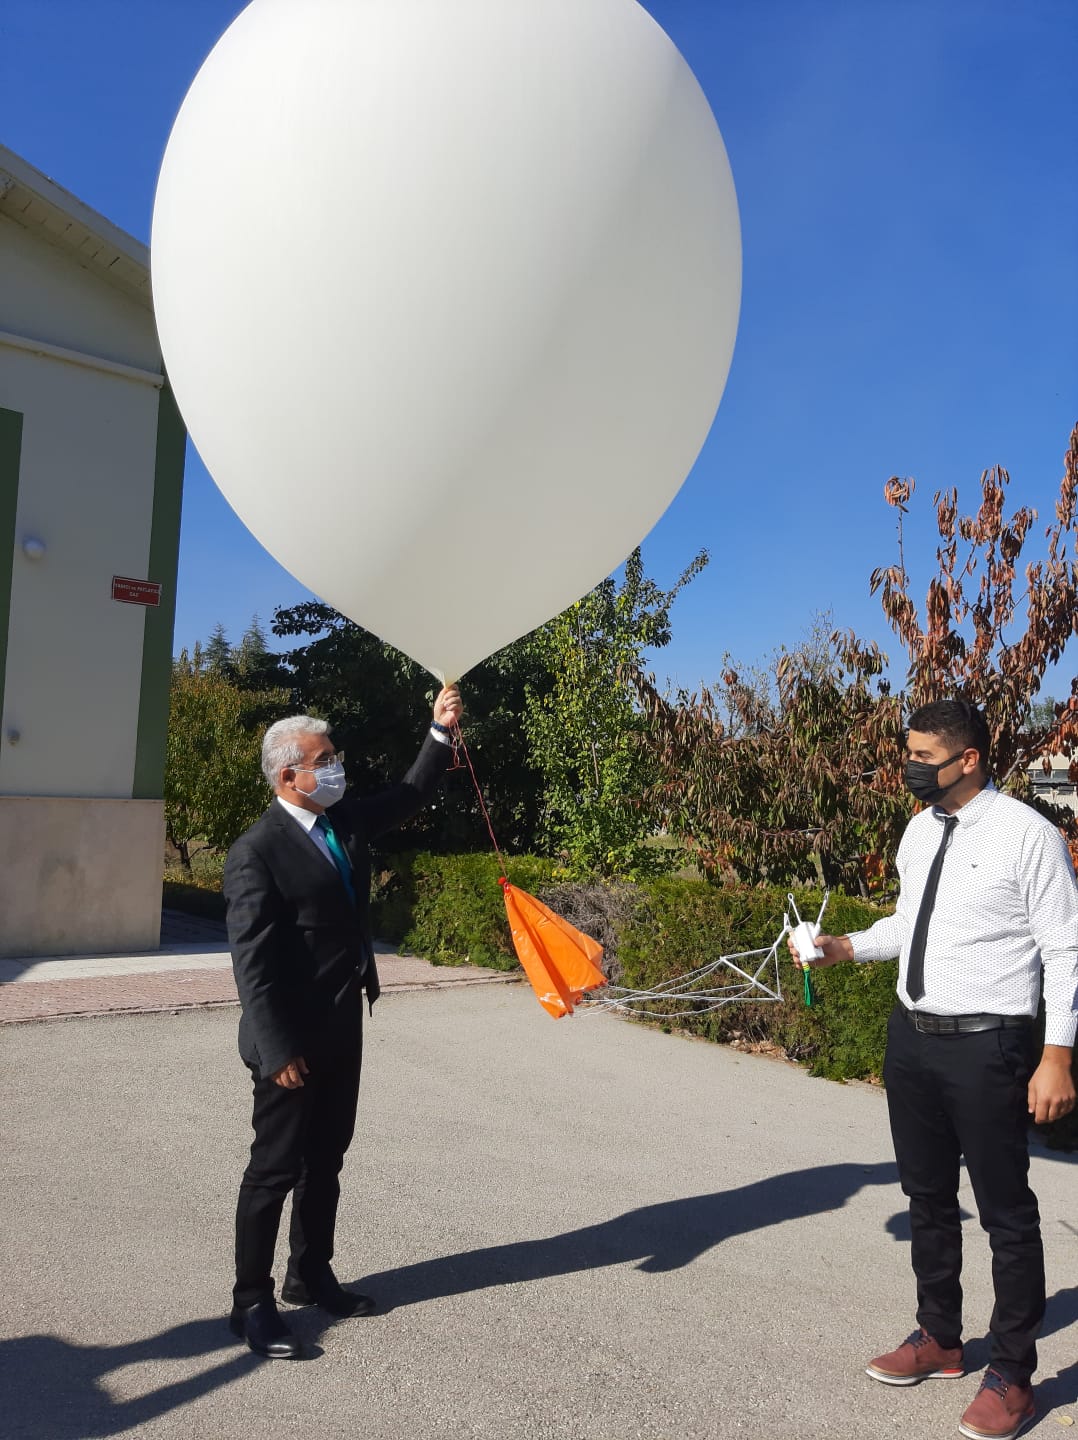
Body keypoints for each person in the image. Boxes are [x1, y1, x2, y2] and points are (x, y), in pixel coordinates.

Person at [793, 699, 1078, 1440]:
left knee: (1006, 1215)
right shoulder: (919, 831)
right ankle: (940, 1338)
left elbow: (1066, 949)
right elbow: (908, 922)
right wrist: (844, 947)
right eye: (909, 752)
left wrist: (1056, 1056)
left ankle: (1014, 1377)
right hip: (912, 1036)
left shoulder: (1029, 836)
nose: (910, 767)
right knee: (926, 1196)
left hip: (991, 1046)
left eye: (923, 756)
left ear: (970, 759)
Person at [224, 685, 463, 1360]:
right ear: (288, 776)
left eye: (334, 757)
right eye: (323, 760)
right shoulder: (257, 851)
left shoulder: (343, 822)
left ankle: (310, 1275)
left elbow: (411, 793)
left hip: (341, 1028)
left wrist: (439, 731)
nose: (337, 768)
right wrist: (276, 1050)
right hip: (289, 1043)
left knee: (325, 1161)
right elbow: (254, 963)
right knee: (274, 1171)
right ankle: (250, 1302)